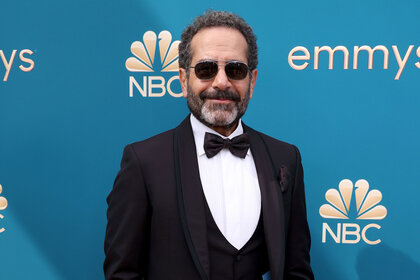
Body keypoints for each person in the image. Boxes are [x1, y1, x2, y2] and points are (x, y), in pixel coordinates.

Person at [104, 10, 314, 280]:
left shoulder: (285, 157)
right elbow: (122, 273)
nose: (222, 82)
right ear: (183, 80)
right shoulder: (143, 162)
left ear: (252, 81)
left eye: (236, 70)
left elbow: (297, 269)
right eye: (206, 69)